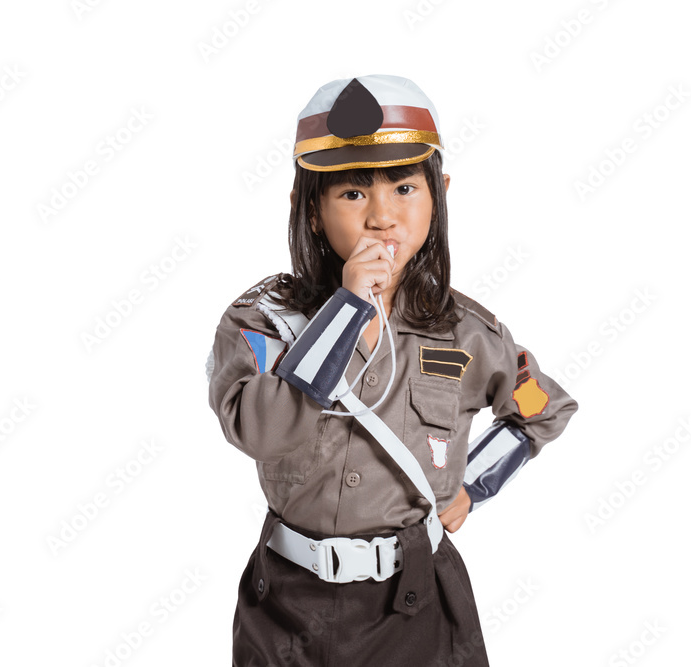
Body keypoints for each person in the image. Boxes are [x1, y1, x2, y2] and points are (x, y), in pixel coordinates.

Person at [207, 74, 578, 666]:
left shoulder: (465, 332)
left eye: (405, 187)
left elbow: (543, 407)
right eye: (352, 194)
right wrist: (347, 314)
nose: (383, 217)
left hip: (415, 602)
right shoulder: (263, 323)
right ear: (310, 210)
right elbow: (260, 433)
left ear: (440, 195)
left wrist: (473, 484)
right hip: (285, 603)